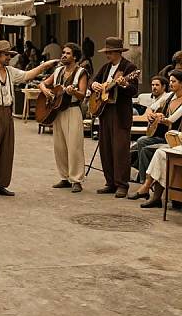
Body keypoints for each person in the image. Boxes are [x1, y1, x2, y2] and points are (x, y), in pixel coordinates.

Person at [0, 40, 58, 200]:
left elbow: (27, 75)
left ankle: (0, 185)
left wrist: (44, 66)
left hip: (7, 112)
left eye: (10, 55)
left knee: (6, 150)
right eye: (6, 55)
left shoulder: (10, 71)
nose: (9, 57)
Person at [91, 37, 138, 198]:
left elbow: (133, 90)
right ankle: (110, 182)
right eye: (106, 52)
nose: (107, 55)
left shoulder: (129, 68)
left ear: (118, 52)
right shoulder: (106, 68)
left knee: (120, 149)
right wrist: (94, 85)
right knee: (106, 148)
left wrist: (124, 84)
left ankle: (122, 184)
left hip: (120, 112)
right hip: (105, 111)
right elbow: (95, 81)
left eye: (110, 52)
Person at [39, 43, 88, 193]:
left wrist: (73, 92)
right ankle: (64, 177)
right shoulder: (59, 70)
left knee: (74, 146)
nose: (63, 55)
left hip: (72, 111)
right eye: (63, 53)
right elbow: (42, 83)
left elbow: (83, 93)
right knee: (59, 146)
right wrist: (46, 91)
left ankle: (77, 179)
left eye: (67, 53)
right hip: (57, 111)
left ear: (74, 56)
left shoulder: (81, 72)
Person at [129, 70, 182, 194]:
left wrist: (162, 119)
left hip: (175, 139)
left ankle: (146, 184)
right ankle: (144, 182)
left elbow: (171, 120)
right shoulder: (170, 97)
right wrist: (153, 116)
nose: (171, 84)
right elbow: (152, 109)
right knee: (142, 142)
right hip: (162, 135)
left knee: (145, 149)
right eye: (170, 81)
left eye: (174, 82)